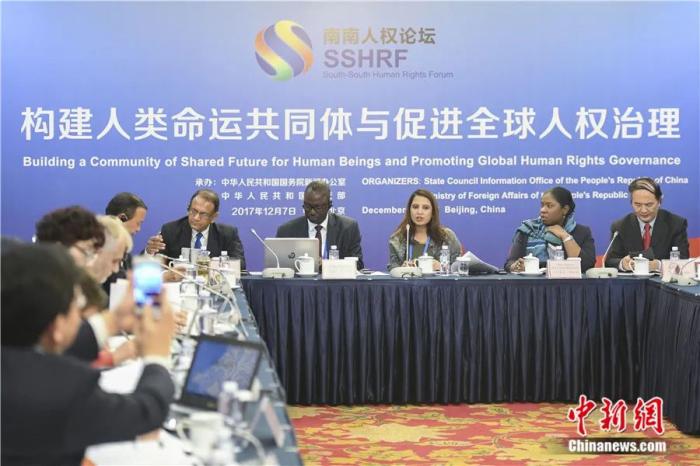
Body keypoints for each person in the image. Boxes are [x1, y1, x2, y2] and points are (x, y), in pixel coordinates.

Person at [1, 243, 175, 466]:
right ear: (57, 328)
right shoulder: (65, 392)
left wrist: (113, 321)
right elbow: (146, 412)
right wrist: (157, 355)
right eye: (78, 304)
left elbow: (39, 359)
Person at [146, 189, 246, 269]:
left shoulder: (227, 233)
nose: (196, 218)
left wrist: (208, 265)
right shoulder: (170, 230)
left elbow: (240, 264)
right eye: (193, 211)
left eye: (203, 214)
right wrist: (150, 251)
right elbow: (158, 261)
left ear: (214, 217)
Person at [605, 177, 689, 272]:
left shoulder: (676, 224)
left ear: (659, 202)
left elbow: (683, 261)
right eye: (638, 205)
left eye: (649, 205)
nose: (643, 210)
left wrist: (658, 265)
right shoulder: (620, 226)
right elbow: (610, 261)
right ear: (631, 203)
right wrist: (623, 264)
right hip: (632, 280)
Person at [276, 180, 364, 269]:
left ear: (329, 206)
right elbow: (278, 266)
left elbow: (358, 264)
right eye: (307, 207)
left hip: (335, 278)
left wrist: (327, 265)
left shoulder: (348, 228)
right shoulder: (286, 231)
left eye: (317, 207)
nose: (312, 212)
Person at [505, 186, 596, 272]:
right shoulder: (528, 229)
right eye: (542, 205)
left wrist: (565, 236)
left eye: (549, 206)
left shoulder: (582, 232)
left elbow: (586, 266)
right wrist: (516, 266)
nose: (543, 210)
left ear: (565, 209)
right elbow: (510, 262)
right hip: (532, 282)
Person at [388, 189, 462, 271]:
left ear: (433, 212)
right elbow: (392, 268)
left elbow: (460, 267)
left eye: (425, 208)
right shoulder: (397, 239)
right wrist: (400, 269)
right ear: (409, 210)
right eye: (415, 207)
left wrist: (442, 267)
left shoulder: (447, 237)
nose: (419, 212)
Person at [103, 192, 148, 290]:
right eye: (138, 223)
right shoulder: (102, 246)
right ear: (122, 218)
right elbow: (116, 281)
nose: (139, 229)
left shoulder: (124, 250)